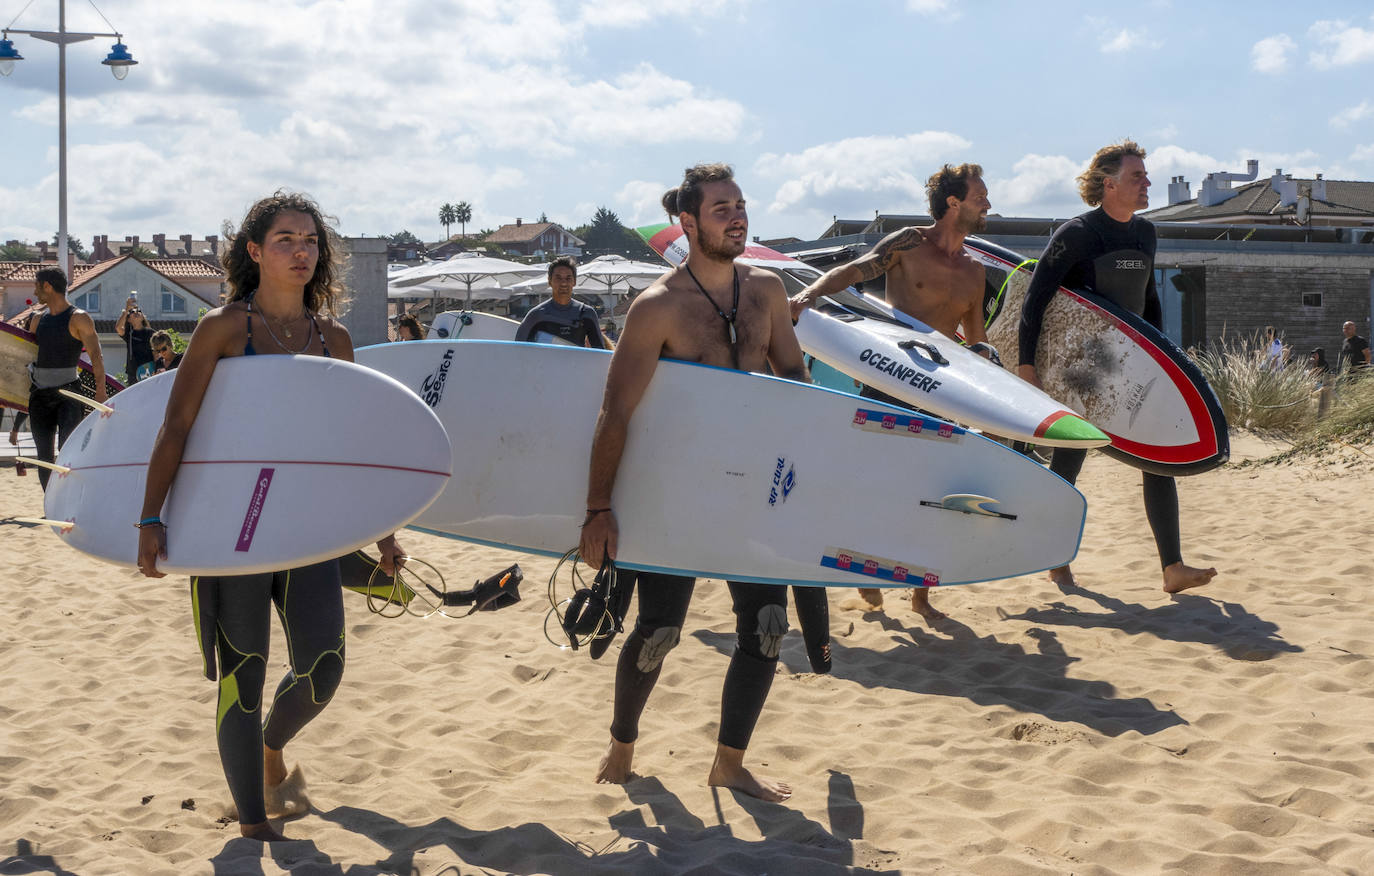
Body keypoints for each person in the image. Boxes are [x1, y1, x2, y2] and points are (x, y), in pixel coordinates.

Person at [135, 192, 406, 843]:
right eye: (285, 239)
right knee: (244, 674)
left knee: (323, 668)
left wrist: (385, 534)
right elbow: (177, 426)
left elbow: (350, 450)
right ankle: (254, 823)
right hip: (233, 531)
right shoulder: (225, 330)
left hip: (306, 528)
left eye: (310, 240)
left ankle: (270, 750)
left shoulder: (332, 339)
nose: (301, 251)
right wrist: (151, 519)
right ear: (254, 251)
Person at [581, 164, 808, 803]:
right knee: (658, 631)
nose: (736, 217)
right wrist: (598, 507)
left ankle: (729, 763)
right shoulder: (657, 308)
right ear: (687, 222)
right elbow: (615, 412)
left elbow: (795, 381)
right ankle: (623, 743)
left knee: (766, 625)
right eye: (720, 209)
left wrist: (813, 477)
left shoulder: (766, 291)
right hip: (677, 492)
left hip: (751, 488)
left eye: (740, 206)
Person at [789, 162, 992, 621]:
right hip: (891, 380)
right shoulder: (908, 243)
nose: (988, 204)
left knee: (932, 493)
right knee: (873, 481)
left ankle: (920, 595)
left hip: (940, 392)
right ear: (953, 203)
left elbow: (974, 335)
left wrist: (988, 368)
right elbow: (856, 269)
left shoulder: (975, 271)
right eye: (980, 196)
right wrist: (808, 296)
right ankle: (864, 566)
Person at [1018, 140, 1216, 596]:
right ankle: (1055, 559)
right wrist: (1028, 366)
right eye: (1137, 176)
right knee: (1070, 461)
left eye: (1145, 176)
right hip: (1084, 367)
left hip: (1134, 361)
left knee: (1159, 457)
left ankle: (1172, 568)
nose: (1147, 183)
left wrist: (1163, 355)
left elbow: (1147, 300)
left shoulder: (1146, 233)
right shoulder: (1078, 233)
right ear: (1109, 184)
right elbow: (1036, 299)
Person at [28, 267, 106, 490]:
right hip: (40, 394)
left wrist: (100, 391)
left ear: (48, 286)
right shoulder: (37, 320)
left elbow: (96, 356)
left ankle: (70, 496)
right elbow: (27, 355)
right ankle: (49, 502)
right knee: (43, 455)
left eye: (37, 286)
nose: (35, 292)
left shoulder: (79, 318)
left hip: (68, 394)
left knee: (68, 450)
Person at [515, 257, 608, 348]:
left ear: (574, 281)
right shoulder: (537, 315)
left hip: (575, 363)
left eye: (568, 278)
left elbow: (600, 353)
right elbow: (518, 350)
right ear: (550, 281)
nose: (563, 283)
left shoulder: (586, 313)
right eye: (558, 278)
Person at [116, 294, 155, 383]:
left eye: (139, 311)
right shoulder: (129, 334)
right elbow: (118, 328)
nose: (136, 312)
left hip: (149, 371)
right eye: (132, 312)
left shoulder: (151, 333)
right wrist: (126, 310)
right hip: (133, 373)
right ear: (128, 319)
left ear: (142, 317)